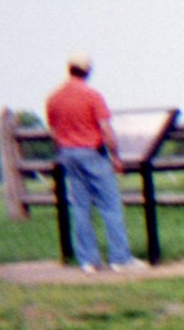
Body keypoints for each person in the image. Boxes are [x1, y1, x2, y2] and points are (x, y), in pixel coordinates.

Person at [44, 53, 146, 274]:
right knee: (110, 204)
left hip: (67, 153)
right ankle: (120, 258)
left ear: (69, 68)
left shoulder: (53, 98)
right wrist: (115, 157)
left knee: (80, 207)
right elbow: (106, 129)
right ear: (88, 71)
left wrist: (61, 153)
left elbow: (54, 131)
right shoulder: (92, 95)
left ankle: (88, 260)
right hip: (92, 151)